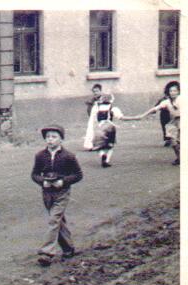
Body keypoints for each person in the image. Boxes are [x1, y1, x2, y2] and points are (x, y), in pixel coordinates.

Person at [31, 125, 83, 267]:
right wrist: (43, 182)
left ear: (61, 139)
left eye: (54, 137)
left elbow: (78, 175)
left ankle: (47, 252)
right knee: (58, 220)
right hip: (47, 193)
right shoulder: (40, 156)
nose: (50, 140)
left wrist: (63, 181)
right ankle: (68, 248)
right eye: (48, 137)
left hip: (62, 192)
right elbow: (34, 175)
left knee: (54, 220)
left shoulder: (68, 156)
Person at [123, 81, 180, 165]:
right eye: (171, 91)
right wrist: (142, 115)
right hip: (173, 122)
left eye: (175, 91)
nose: (173, 93)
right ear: (168, 92)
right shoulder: (166, 102)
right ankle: (179, 158)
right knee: (173, 142)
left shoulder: (183, 99)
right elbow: (154, 109)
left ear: (178, 91)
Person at [89, 94, 124, 168]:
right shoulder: (112, 108)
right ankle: (107, 160)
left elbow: (93, 116)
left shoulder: (97, 107)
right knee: (110, 145)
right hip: (109, 126)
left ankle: (102, 155)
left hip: (100, 126)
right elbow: (119, 116)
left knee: (99, 146)